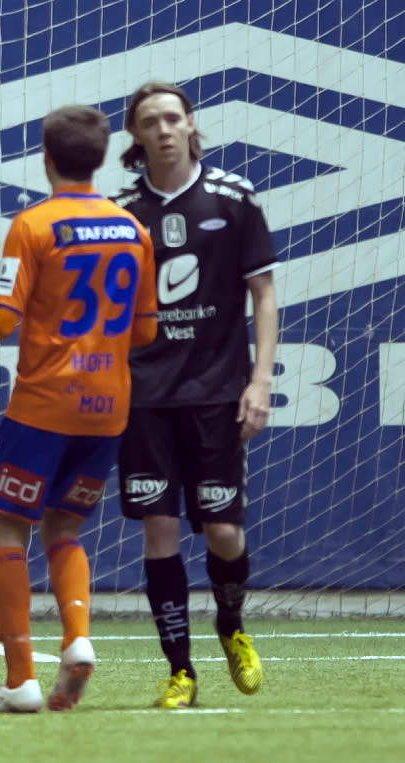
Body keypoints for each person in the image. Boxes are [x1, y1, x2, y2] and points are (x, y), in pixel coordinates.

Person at [0, 105, 157, 713]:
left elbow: (3, 318)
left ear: (46, 159)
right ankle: (77, 638)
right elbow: (146, 331)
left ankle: (21, 679)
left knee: (6, 526)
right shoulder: (134, 229)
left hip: (44, 406)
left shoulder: (33, 225)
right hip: (108, 409)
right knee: (65, 527)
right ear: (101, 159)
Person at [112, 81, 277, 708]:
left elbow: (263, 293)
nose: (163, 130)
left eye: (172, 118)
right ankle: (180, 671)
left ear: (190, 124)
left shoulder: (234, 198)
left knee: (223, 532)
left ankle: (231, 623)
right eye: (149, 121)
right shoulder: (121, 210)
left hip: (216, 391)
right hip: (144, 396)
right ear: (135, 134)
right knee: (159, 527)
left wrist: (259, 381)